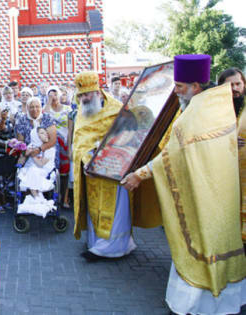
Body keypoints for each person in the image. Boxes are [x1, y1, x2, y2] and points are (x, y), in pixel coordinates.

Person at [122, 54, 246, 315]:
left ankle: (193, 305)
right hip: (216, 191)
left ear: (195, 87)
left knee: (200, 246)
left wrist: (139, 175)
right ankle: (220, 302)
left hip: (205, 193)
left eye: (179, 86)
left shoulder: (195, 114)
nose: (175, 91)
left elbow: (170, 156)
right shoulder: (217, 105)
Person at [72, 71, 137, 262]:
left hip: (114, 169)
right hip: (92, 170)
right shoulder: (82, 113)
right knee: (95, 208)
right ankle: (97, 243)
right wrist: (87, 156)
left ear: (98, 92)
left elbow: (129, 135)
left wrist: (109, 147)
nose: (84, 99)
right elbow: (78, 142)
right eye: (81, 95)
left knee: (116, 209)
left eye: (87, 94)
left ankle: (115, 246)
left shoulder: (116, 109)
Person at [218, 68, 246, 247]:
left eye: (238, 84)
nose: (235, 88)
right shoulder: (215, 111)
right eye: (230, 85)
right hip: (225, 176)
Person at [17, 127, 57, 218]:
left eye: (46, 132)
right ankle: (35, 198)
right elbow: (21, 161)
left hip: (44, 171)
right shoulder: (31, 145)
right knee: (28, 170)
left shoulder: (49, 149)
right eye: (42, 133)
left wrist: (33, 155)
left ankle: (36, 197)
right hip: (31, 169)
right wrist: (24, 154)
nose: (46, 134)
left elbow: (41, 164)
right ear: (36, 136)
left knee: (33, 170)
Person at [44, 86, 71, 203]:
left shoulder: (67, 109)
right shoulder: (47, 109)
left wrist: (69, 146)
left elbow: (70, 129)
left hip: (64, 142)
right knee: (51, 169)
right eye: (50, 95)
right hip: (51, 143)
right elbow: (43, 118)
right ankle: (51, 197)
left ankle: (63, 197)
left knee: (64, 171)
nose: (53, 97)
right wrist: (49, 102)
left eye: (55, 94)